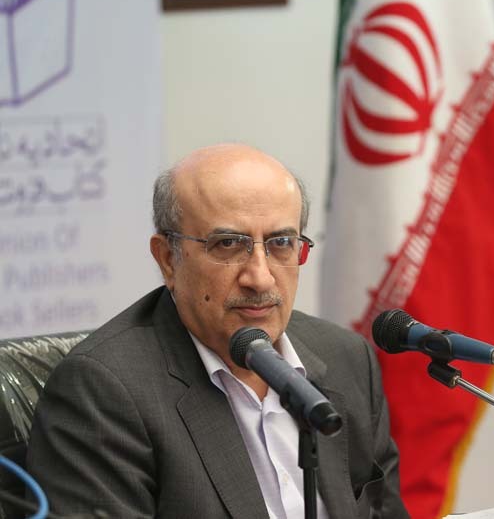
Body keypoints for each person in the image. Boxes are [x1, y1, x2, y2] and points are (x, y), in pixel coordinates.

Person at [26, 144, 409, 519]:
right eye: (228, 245)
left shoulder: (346, 358)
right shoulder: (104, 391)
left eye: (281, 243)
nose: (260, 278)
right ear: (168, 259)